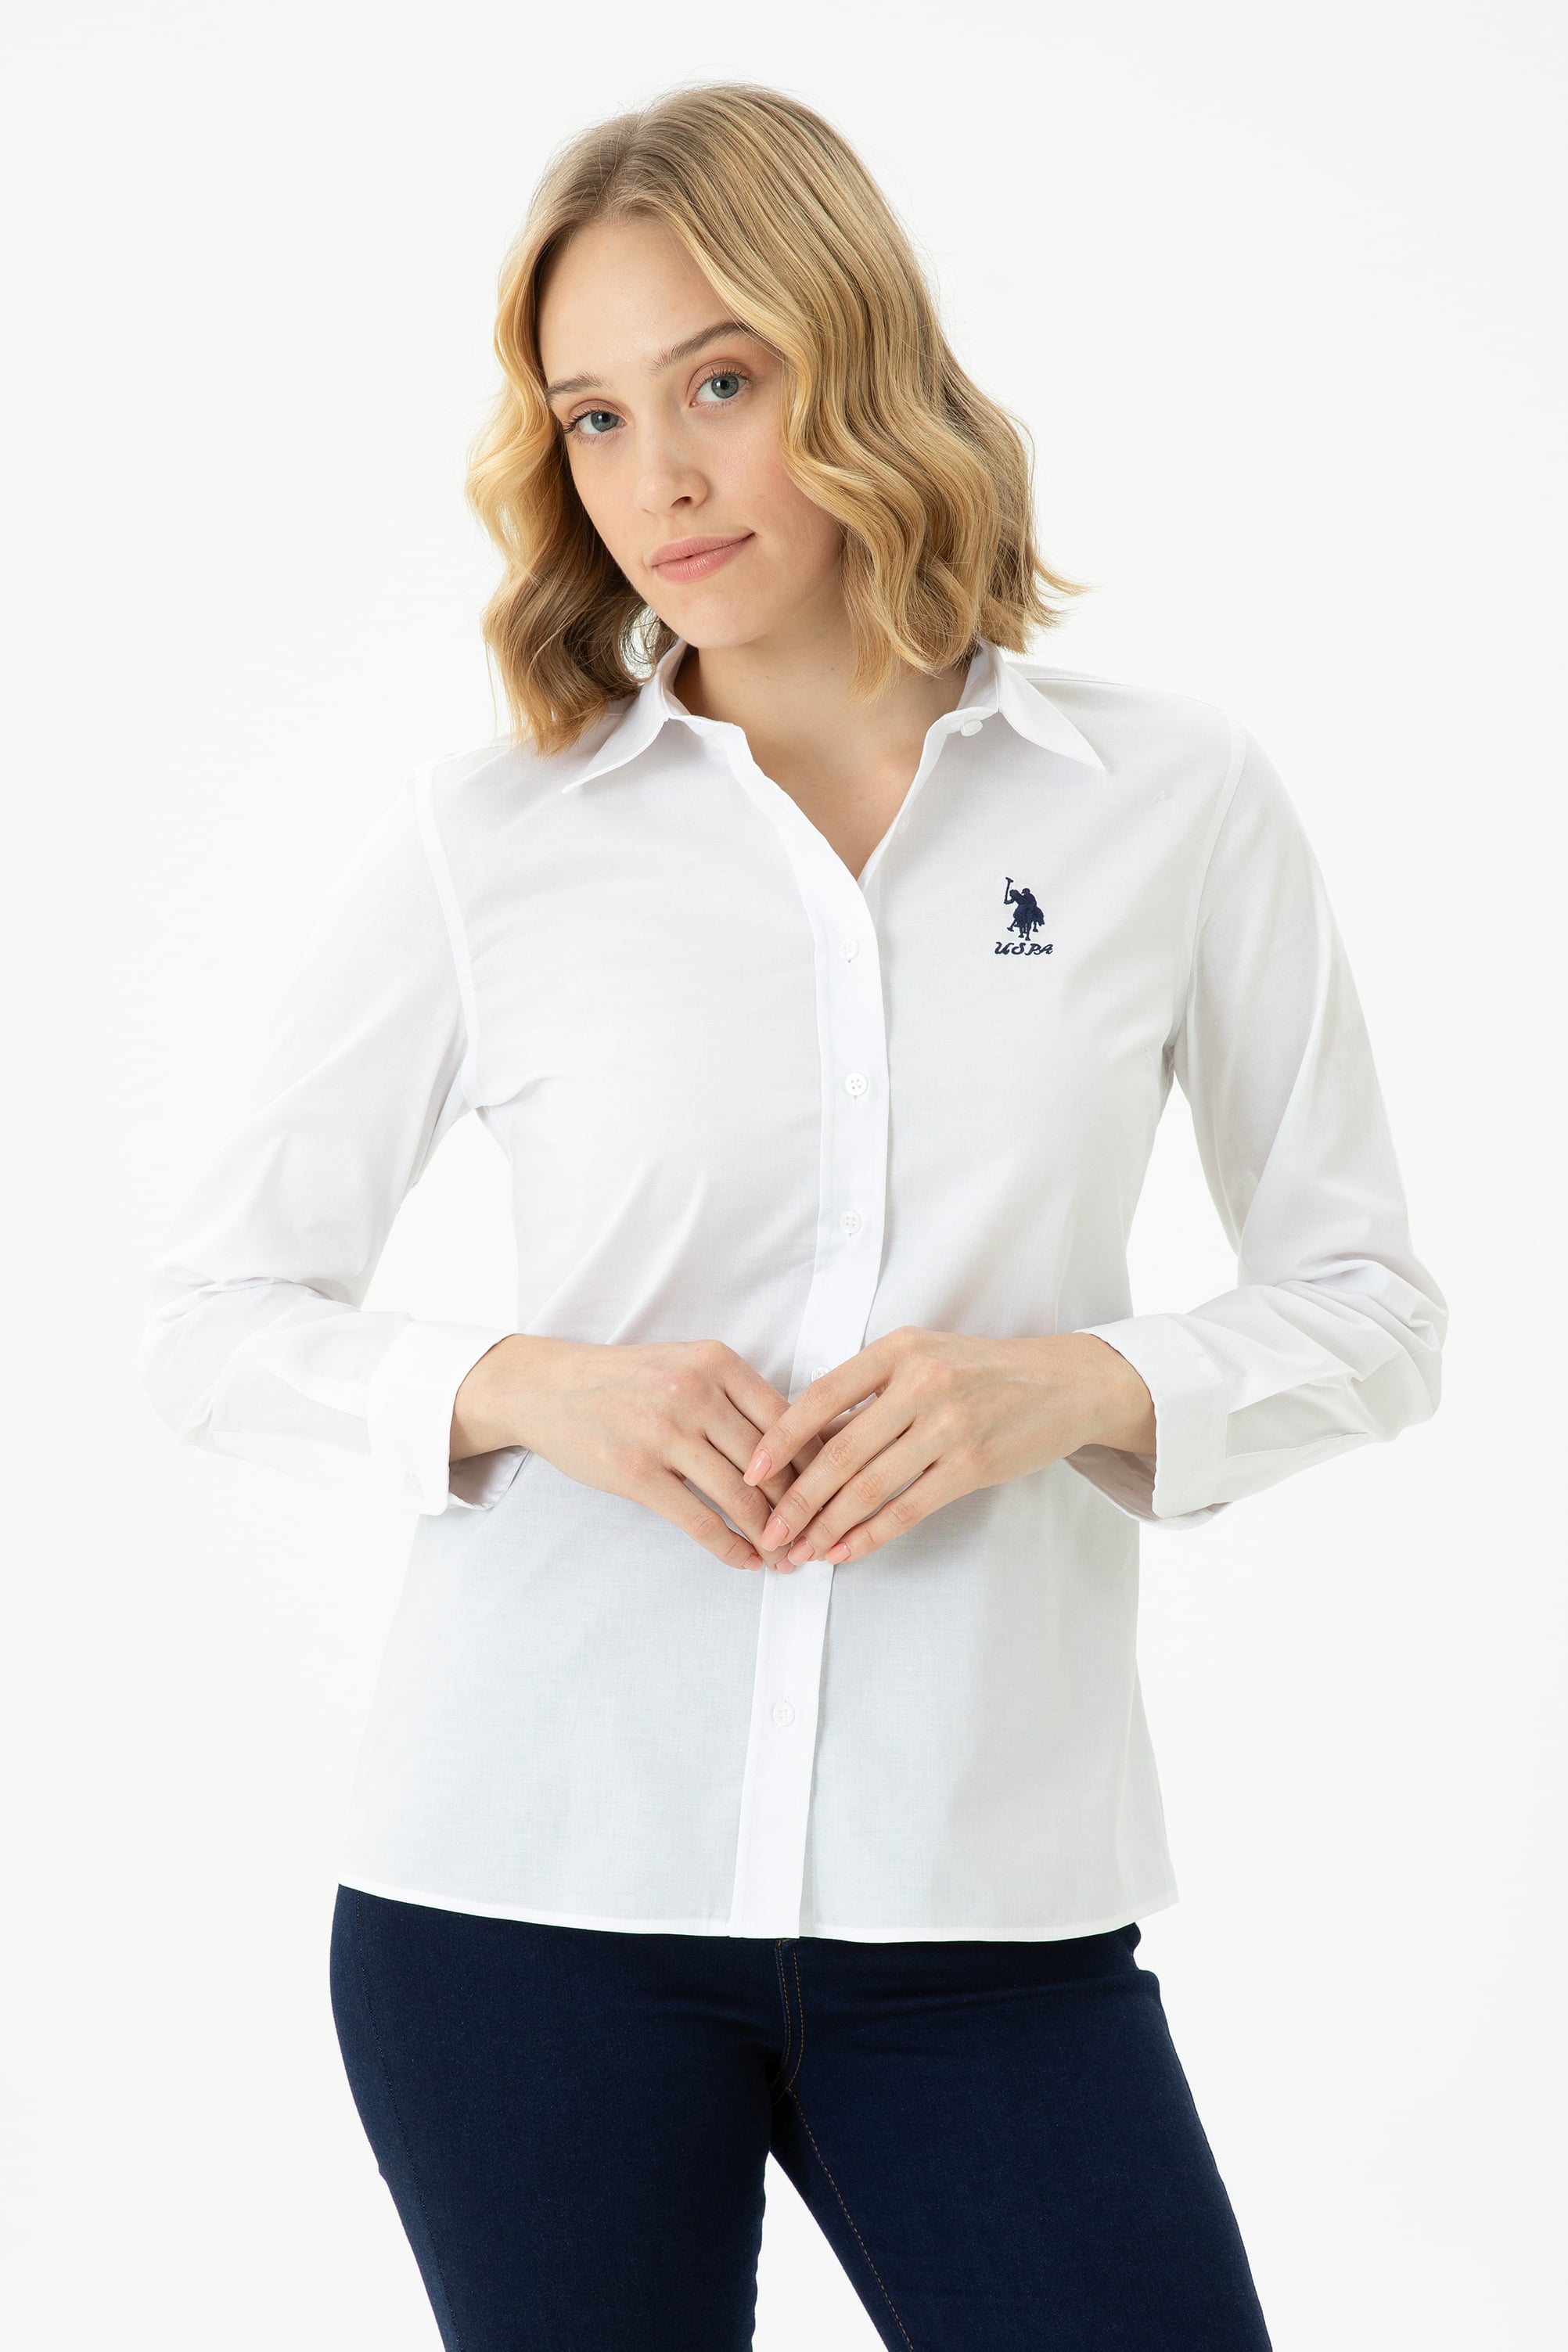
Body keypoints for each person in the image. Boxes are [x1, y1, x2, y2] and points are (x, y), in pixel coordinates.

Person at [138, 81, 1446, 2352]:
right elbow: (208, 1317)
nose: (657, 475)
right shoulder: (494, 837)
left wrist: (1075, 1386)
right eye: (594, 416)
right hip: (519, 1905)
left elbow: (1371, 1306)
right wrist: (523, 1389)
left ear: (858, 361)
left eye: (720, 382)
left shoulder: (1172, 803)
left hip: (985, 1908)